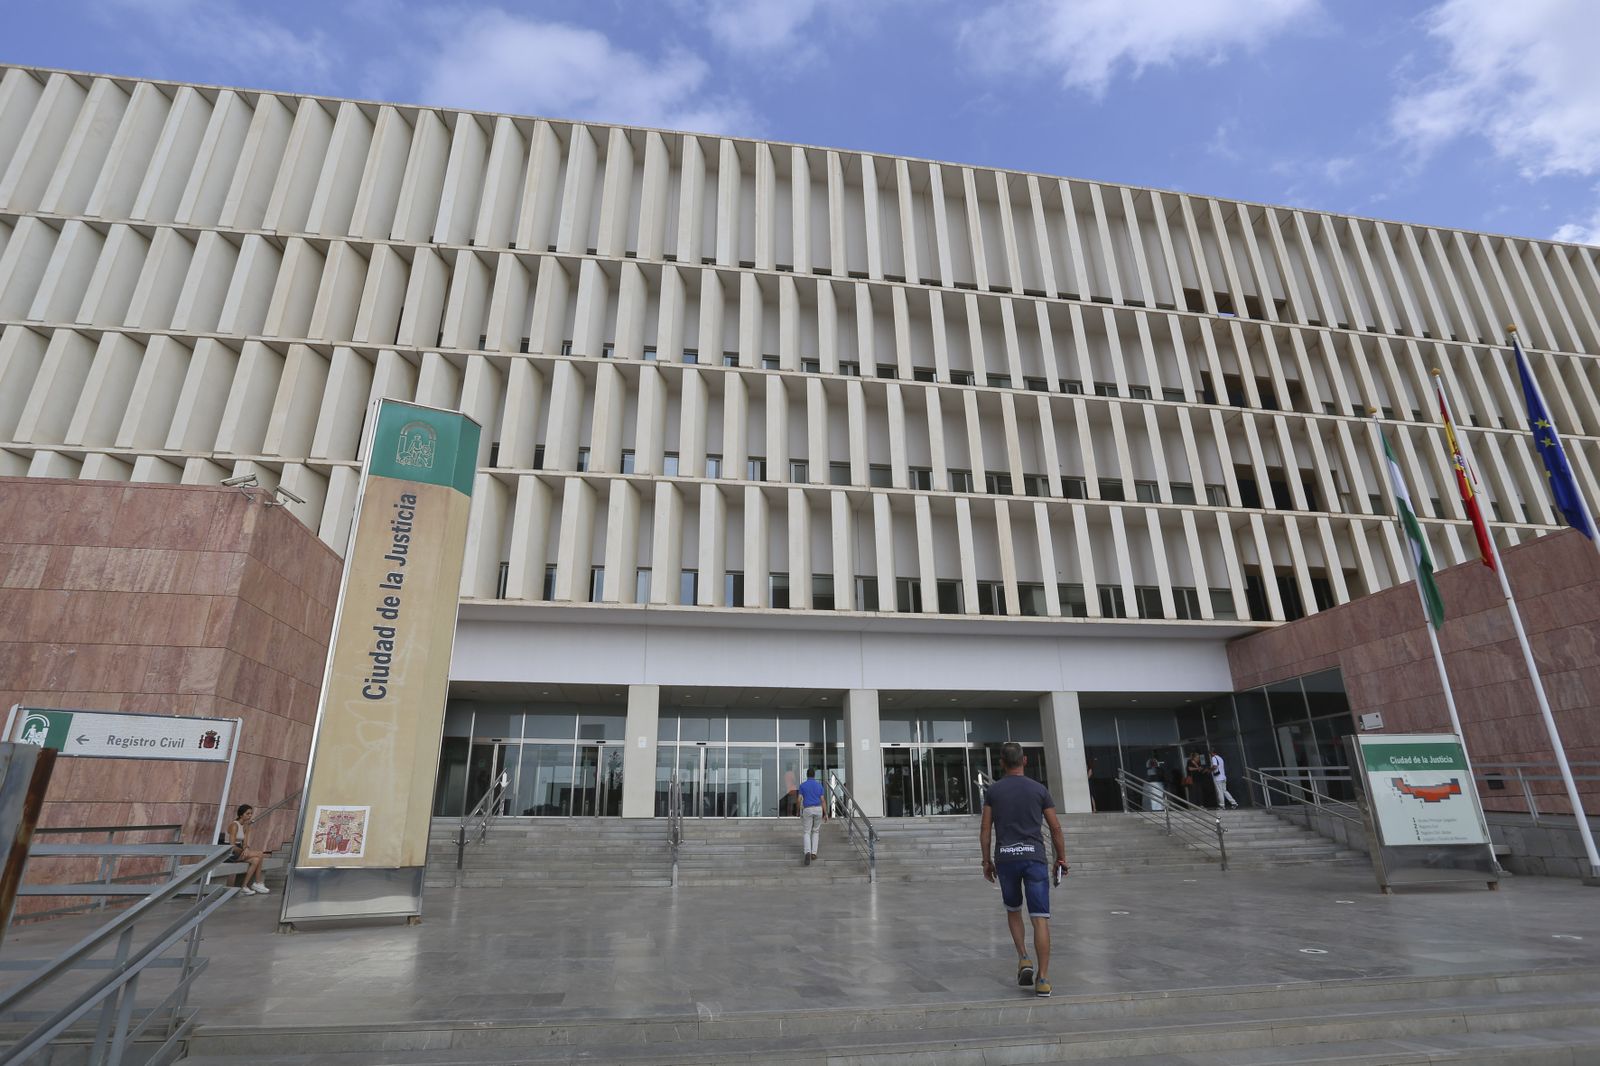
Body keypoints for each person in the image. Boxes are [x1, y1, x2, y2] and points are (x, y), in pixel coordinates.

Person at [980, 742, 1068, 998]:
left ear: (1001, 763)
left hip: (1006, 858)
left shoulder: (994, 791)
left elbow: (985, 829)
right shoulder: (1039, 790)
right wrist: (1061, 858)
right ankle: (1043, 979)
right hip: (1034, 858)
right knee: (1040, 918)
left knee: (1014, 910)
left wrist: (986, 861)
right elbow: (1055, 828)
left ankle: (1024, 958)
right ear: (1025, 761)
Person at [226, 804, 271, 895]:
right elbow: (232, 846)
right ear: (241, 815)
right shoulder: (234, 825)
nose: (250, 815)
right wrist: (243, 851)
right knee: (260, 854)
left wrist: (246, 849)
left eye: (251, 813)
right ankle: (258, 882)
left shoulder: (246, 826)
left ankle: (244, 886)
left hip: (239, 852)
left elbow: (245, 843)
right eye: (248, 813)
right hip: (230, 853)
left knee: (256, 860)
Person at [797, 768, 826, 865]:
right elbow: (822, 800)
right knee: (816, 831)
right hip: (818, 809)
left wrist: (798, 811)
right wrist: (825, 813)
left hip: (807, 809)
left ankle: (807, 852)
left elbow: (799, 799)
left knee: (806, 832)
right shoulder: (819, 786)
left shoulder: (802, 786)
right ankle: (814, 853)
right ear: (814, 775)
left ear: (807, 775)